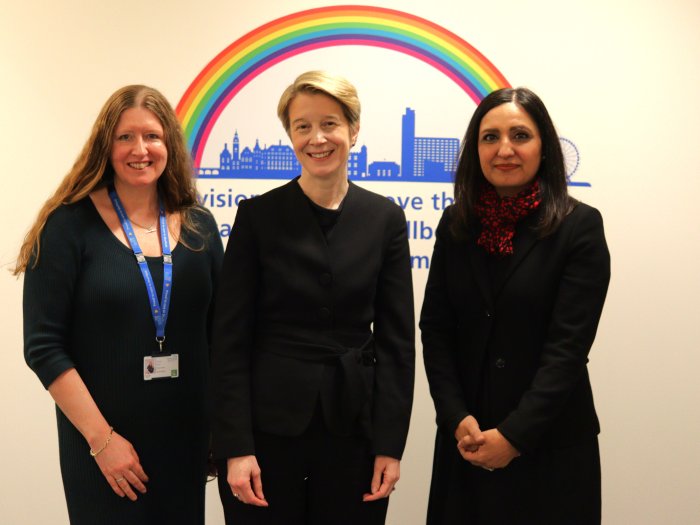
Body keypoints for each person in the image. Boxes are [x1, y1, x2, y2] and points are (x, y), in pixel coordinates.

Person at [210, 70, 415, 525]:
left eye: (330, 123)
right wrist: (235, 447)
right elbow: (228, 340)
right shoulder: (257, 216)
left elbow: (398, 345)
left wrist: (389, 445)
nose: (317, 138)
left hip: (353, 429)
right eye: (302, 126)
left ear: (353, 130)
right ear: (289, 135)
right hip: (265, 432)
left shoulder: (385, 219)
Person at [16, 85, 224, 525]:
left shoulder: (199, 226)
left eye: (152, 136)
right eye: (125, 137)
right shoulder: (68, 226)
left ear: (169, 143)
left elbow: (219, 335)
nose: (140, 149)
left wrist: (219, 429)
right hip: (102, 450)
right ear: (104, 146)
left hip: (186, 443)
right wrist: (102, 441)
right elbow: (43, 347)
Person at [420, 87, 610, 524]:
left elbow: (567, 350)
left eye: (520, 135)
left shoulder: (579, 227)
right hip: (466, 444)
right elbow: (436, 329)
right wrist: (455, 416)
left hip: (550, 447)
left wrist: (514, 436)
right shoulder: (457, 224)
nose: (504, 149)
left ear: (544, 148)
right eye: (490, 138)